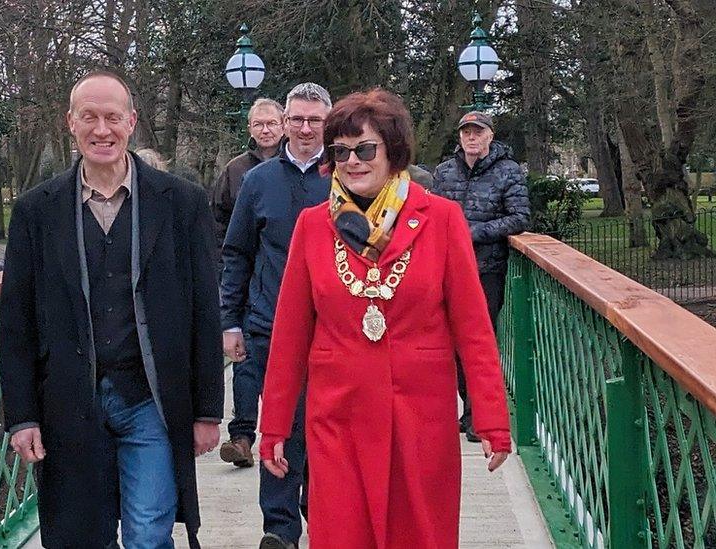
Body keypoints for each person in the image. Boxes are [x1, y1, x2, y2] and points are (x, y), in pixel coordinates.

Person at [258, 88, 511, 548]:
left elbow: (474, 331)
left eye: (365, 149)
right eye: (340, 151)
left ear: (393, 152)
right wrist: (273, 425)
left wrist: (492, 420)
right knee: (342, 534)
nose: (352, 161)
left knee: (420, 535)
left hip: (421, 419)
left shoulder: (443, 219)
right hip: (338, 417)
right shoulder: (314, 226)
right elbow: (290, 335)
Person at [0, 70, 224, 549]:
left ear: (131, 122)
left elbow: (205, 310)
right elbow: (15, 322)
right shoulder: (37, 211)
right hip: (68, 404)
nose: (102, 130)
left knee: (147, 534)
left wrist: (207, 409)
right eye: (90, 118)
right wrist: (22, 416)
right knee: (81, 537)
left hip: (151, 401)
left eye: (112, 118)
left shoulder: (181, 205)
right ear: (71, 124)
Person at [219, 83, 331, 549]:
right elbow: (237, 253)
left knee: (322, 427)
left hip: (332, 327)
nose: (305, 128)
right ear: (284, 122)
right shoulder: (258, 181)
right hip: (270, 324)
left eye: (315, 120)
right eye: (297, 119)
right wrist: (230, 322)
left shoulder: (347, 174)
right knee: (281, 426)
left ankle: (321, 517)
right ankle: (279, 529)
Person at [430, 111, 530, 442]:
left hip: (487, 267)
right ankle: (468, 409)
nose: (471, 137)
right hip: (447, 268)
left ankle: (479, 417)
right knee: (453, 342)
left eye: (478, 132)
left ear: (490, 136)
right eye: (466, 132)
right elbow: (430, 215)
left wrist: (474, 232)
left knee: (479, 340)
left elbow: (519, 217)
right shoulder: (444, 172)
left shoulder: (508, 171)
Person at [210, 98, 286, 250]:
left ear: (283, 127)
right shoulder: (234, 169)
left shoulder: (293, 165)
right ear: (250, 129)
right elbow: (217, 221)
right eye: (258, 124)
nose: (265, 130)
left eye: (271, 123)